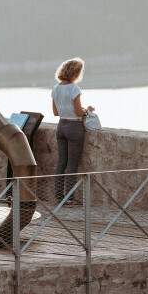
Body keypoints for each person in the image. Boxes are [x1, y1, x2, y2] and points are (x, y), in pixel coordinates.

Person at [51, 58, 95, 203]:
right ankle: (69, 197)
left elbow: (55, 112)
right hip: (74, 127)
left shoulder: (55, 88)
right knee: (72, 163)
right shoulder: (74, 89)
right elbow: (78, 112)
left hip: (61, 126)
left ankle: (58, 196)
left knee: (61, 162)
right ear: (75, 73)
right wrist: (87, 110)